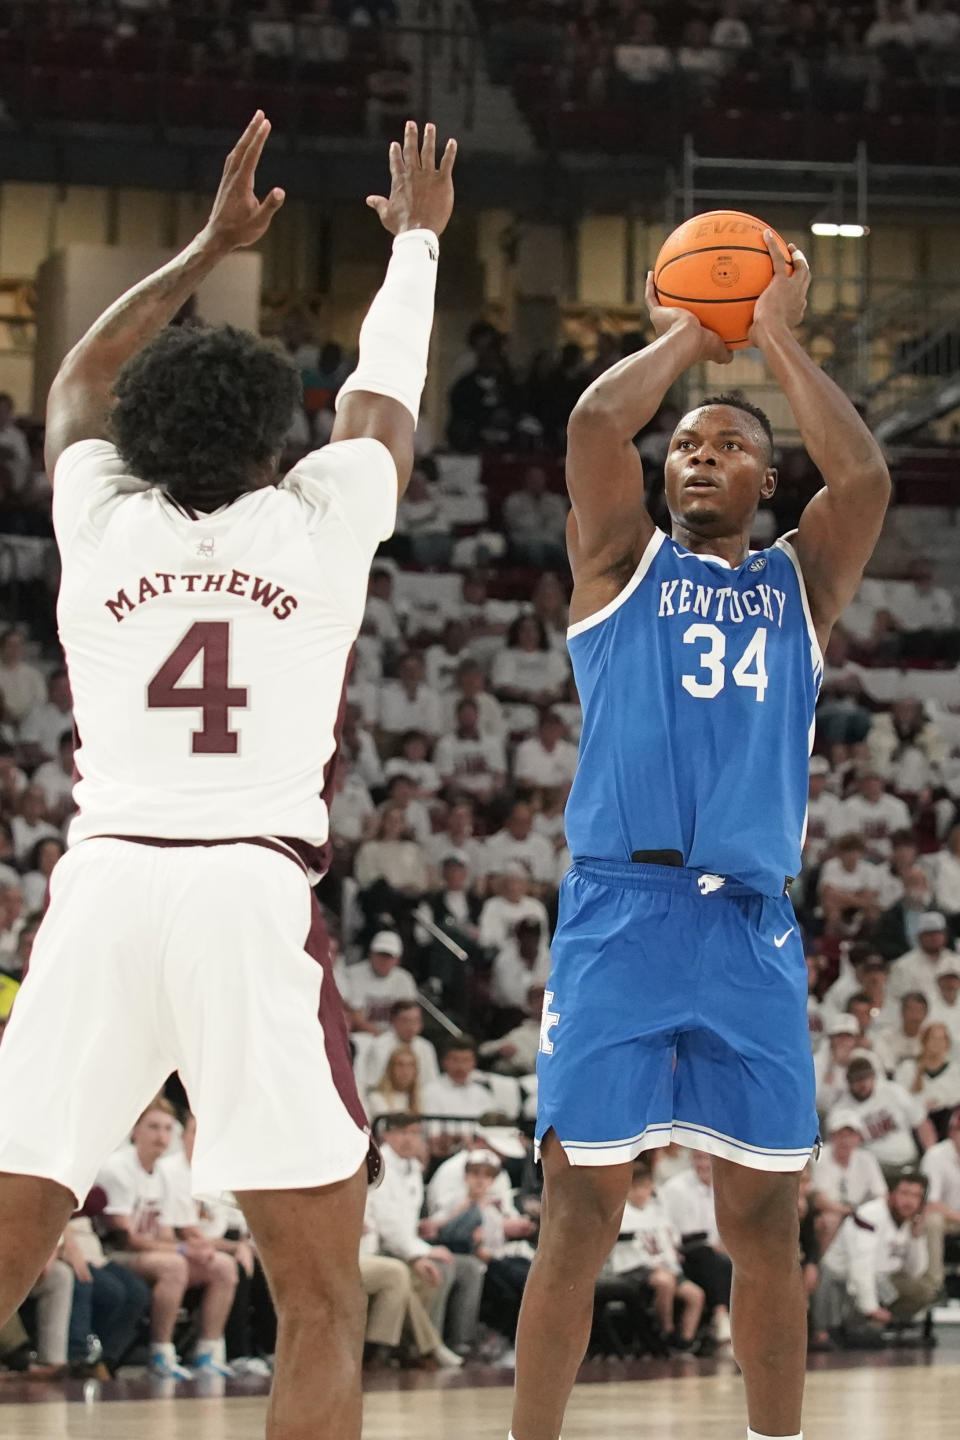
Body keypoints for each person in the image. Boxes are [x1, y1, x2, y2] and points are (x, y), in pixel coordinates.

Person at [0, 114, 456, 1440]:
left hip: (104, 894)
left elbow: (78, 376)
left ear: (140, 437)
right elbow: (382, 394)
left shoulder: (98, 513)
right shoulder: (320, 519)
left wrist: (204, 244)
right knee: (319, 1307)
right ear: (276, 444)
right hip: (247, 908)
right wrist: (415, 245)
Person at [513, 234, 892, 1440]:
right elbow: (588, 428)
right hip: (621, 916)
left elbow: (869, 480)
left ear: (767, 481)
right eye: (687, 442)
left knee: (765, 1223)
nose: (703, 453)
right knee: (578, 1210)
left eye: (731, 442)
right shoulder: (619, 564)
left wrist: (772, 331)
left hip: (751, 925)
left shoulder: (801, 585)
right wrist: (694, 324)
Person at [96, 1100, 238, 1378]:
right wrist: (182, 1250)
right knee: (174, 1266)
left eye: (167, 1128)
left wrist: (195, 1247)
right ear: (135, 1131)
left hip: (150, 1252)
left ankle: (207, 1353)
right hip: (114, 1254)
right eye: (153, 1127)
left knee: (222, 1266)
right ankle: (160, 1352)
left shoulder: (162, 1173)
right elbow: (125, 1238)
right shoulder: (118, 1168)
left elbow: (163, 1233)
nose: (161, 1135)